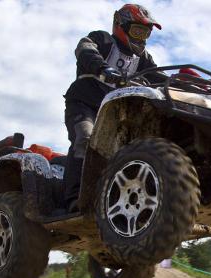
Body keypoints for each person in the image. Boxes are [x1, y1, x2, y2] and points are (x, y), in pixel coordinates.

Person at [63, 4, 162, 213]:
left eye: (146, 33)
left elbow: (158, 76)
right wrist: (102, 68)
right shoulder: (102, 39)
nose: (141, 38)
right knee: (85, 139)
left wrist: (183, 82)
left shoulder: (143, 59)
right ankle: (73, 199)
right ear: (120, 25)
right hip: (84, 104)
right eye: (137, 31)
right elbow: (84, 49)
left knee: (129, 150)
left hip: (115, 114)